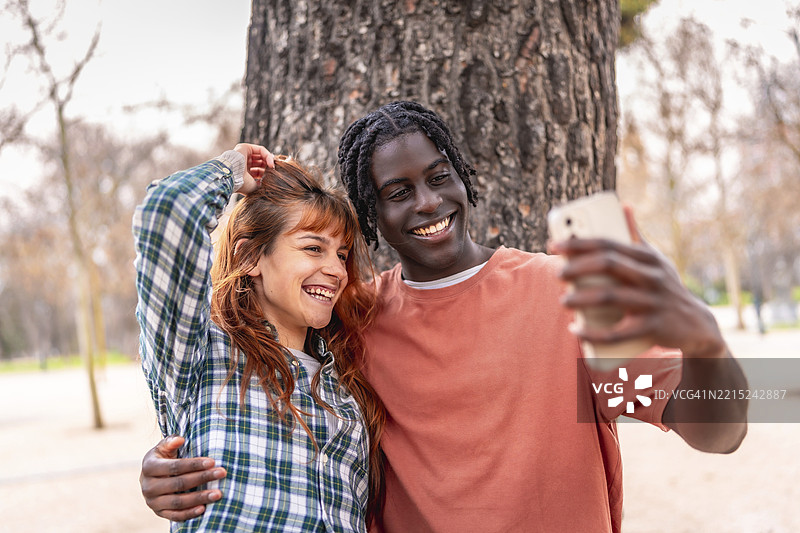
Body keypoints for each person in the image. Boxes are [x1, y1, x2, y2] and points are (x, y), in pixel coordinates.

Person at [138, 103, 748, 533]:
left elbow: (721, 431)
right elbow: (273, 414)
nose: (428, 202)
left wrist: (706, 340)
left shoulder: (568, 294)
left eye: (439, 177)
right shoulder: (351, 321)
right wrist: (162, 468)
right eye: (398, 191)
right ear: (373, 216)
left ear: (463, 179)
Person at [133, 143, 385, 532]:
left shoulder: (347, 391)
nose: (337, 270)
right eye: (313, 248)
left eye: (341, 254)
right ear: (250, 257)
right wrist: (232, 171)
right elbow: (167, 213)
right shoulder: (203, 354)